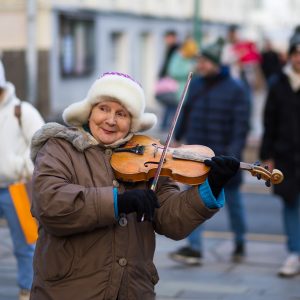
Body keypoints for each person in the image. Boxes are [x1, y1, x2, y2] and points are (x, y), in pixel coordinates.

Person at [29, 71, 240, 299]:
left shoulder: (148, 159)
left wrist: (210, 188)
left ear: (132, 122)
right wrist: (118, 202)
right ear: (89, 111)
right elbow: (50, 205)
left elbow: (171, 221)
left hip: (133, 290)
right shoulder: (59, 149)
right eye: (103, 109)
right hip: (70, 290)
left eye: (121, 114)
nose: (110, 120)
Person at [169, 39, 250, 265]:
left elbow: (240, 126)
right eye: (200, 60)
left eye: (204, 61)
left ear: (215, 63)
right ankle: (194, 248)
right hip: (196, 154)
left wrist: (233, 155)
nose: (201, 65)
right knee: (192, 201)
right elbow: (184, 112)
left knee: (233, 202)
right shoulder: (195, 84)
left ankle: (240, 242)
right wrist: (177, 137)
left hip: (224, 157)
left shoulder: (236, 89)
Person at [0, 59, 44, 300]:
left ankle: (28, 291)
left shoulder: (21, 111)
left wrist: (21, 167)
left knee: (25, 244)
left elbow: (43, 145)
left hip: (15, 186)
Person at [259, 26, 300, 277]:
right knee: (290, 204)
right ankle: (294, 253)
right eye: (295, 53)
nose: (299, 58)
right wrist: (267, 155)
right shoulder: (278, 82)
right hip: (285, 154)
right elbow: (269, 121)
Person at [159, 36, 197, 130]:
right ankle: (167, 129)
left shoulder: (189, 58)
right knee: (174, 109)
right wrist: (189, 72)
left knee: (175, 109)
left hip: (182, 89)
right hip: (176, 88)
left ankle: (170, 128)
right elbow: (173, 72)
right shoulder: (178, 56)